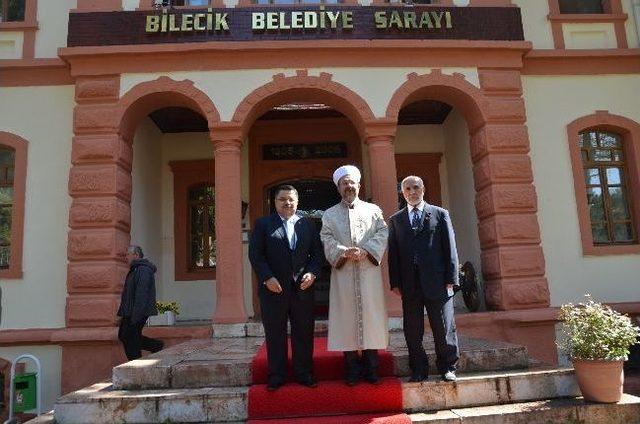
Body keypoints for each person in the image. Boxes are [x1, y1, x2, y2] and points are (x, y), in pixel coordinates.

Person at [249, 185, 324, 391]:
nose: (287, 203)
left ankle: (304, 373)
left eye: (291, 199)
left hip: (302, 289)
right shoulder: (263, 224)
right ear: (275, 202)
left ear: (297, 202)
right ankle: (277, 375)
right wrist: (267, 278)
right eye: (282, 199)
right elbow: (256, 255)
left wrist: (313, 273)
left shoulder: (307, 224)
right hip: (274, 289)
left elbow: (317, 255)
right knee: (275, 333)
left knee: (303, 332)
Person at [320, 165, 389, 386]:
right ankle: (351, 369)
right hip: (344, 275)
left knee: (371, 318)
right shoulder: (329, 215)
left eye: (352, 183)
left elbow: (383, 232)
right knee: (345, 319)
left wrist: (367, 250)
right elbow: (326, 239)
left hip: (369, 272)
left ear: (359, 185)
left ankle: (371, 368)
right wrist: (343, 252)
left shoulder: (374, 210)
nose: (348, 186)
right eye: (344, 183)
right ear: (338, 187)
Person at [388, 175, 460, 382]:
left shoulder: (440, 214)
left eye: (416, 187)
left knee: (443, 326)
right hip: (410, 284)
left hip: (438, 281)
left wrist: (452, 278)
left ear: (423, 189)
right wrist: (395, 282)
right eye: (408, 189)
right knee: (412, 329)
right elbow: (393, 253)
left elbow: (450, 248)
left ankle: (448, 366)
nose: (412, 192)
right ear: (403, 193)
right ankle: (418, 369)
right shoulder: (396, 220)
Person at [117, 245, 164, 361]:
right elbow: (128, 294)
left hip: (137, 312)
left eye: (128, 254)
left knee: (129, 337)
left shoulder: (143, 270)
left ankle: (135, 364)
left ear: (136, 255)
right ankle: (156, 345)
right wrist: (122, 313)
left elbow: (141, 294)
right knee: (125, 336)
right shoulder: (135, 269)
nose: (126, 257)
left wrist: (136, 316)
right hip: (129, 311)